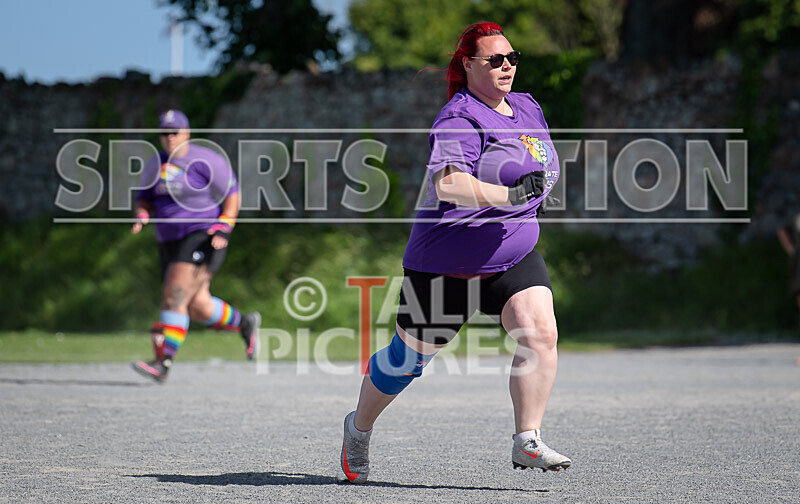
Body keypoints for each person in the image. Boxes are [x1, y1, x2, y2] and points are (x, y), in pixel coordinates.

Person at [340, 22, 570, 484]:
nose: (507, 67)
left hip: (511, 252)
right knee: (407, 362)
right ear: (468, 65)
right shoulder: (458, 118)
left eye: (512, 58)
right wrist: (506, 196)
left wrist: (537, 192)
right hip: (448, 262)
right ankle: (358, 428)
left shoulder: (526, 106)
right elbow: (448, 182)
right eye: (495, 60)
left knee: (540, 332)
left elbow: (542, 164)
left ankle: (527, 440)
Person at [130, 109, 260, 383]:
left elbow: (232, 194)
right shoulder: (156, 164)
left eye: (174, 132)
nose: (169, 138)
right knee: (196, 306)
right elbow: (144, 198)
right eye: (164, 133)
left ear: (187, 132)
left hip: (202, 234)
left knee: (174, 294)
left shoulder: (204, 159)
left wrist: (226, 224)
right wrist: (142, 214)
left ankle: (163, 361)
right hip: (168, 240)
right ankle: (244, 323)